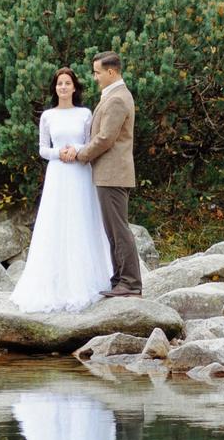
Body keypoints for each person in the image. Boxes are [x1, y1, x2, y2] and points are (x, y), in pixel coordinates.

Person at [10, 67, 112, 314]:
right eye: (59, 84)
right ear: (55, 88)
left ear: (74, 87)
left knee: (80, 219)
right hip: (58, 172)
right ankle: (53, 282)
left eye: (67, 83)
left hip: (79, 171)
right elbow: (43, 149)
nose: (63, 87)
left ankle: (87, 279)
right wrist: (59, 153)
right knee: (55, 222)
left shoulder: (85, 114)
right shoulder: (48, 116)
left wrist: (75, 152)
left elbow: (91, 142)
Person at [61, 51, 141, 298]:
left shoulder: (117, 99)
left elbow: (106, 138)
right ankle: (119, 279)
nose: (95, 77)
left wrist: (81, 154)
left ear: (111, 72)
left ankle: (130, 283)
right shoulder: (114, 95)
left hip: (113, 174)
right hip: (109, 174)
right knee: (112, 230)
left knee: (119, 229)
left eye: (97, 72)